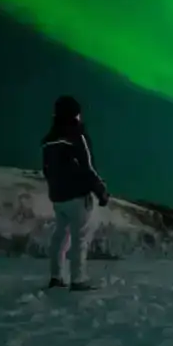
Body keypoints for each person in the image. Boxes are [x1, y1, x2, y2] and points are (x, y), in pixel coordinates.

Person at [41, 95, 110, 291]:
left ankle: (56, 277)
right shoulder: (76, 136)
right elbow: (87, 167)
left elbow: (47, 170)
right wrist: (101, 191)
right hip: (78, 197)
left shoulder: (49, 141)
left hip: (58, 197)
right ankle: (78, 279)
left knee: (60, 236)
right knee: (80, 238)